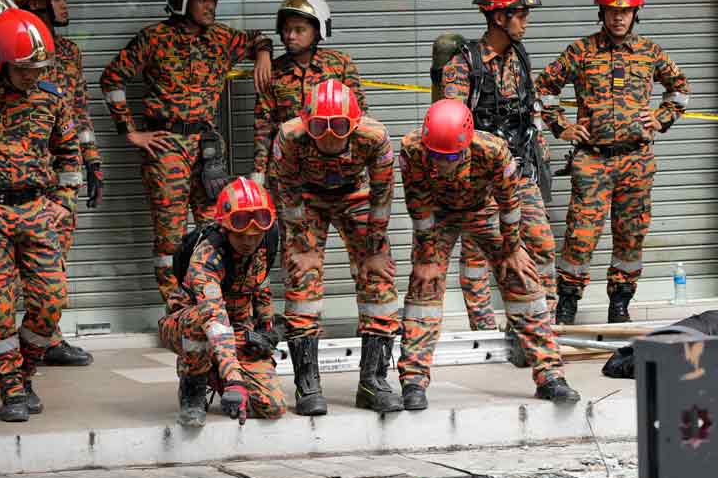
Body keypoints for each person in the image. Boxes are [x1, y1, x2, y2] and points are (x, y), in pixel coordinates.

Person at [101, 0, 272, 303]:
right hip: (167, 148)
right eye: (203, 0)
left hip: (207, 147)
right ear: (181, 1)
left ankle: (212, 302)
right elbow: (112, 79)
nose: (211, 6)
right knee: (170, 236)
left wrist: (263, 54)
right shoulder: (154, 39)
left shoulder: (221, 37)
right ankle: (177, 309)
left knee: (216, 227)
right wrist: (131, 133)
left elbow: (257, 38)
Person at [397, 99, 579, 409]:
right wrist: (427, 255)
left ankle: (550, 375)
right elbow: (418, 206)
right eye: (436, 156)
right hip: (438, 214)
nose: (442, 164)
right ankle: (414, 380)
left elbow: (510, 204)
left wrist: (511, 249)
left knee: (521, 278)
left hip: (485, 209)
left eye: (451, 156)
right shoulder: (412, 149)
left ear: (465, 146)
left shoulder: (493, 151)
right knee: (423, 285)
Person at [536, 0, 690, 324]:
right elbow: (545, 88)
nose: (618, 17)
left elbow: (679, 88)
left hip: (636, 158)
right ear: (602, 13)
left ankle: (620, 303)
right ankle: (568, 303)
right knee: (580, 236)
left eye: (626, 11)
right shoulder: (581, 51)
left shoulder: (649, 53)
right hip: (592, 160)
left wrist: (661, 118)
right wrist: (562, 126)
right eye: (611, 10)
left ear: (636, 13)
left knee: (631, 236)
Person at [271, 79, 402, 416]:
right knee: (302, 278)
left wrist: (374, 246)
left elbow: (382, 194)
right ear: (306, 123)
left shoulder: (375, 137)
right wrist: (300, 244)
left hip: (355, 196)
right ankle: (307, 386)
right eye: (319, 126)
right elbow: (285, 190)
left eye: (339, 126)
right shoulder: (289, 136)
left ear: (354, 125)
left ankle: (373, 381)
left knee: (378, 278)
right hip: (307, 200)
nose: (329, 135)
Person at [0, 8, 82, 422]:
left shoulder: (51, 98)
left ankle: (25, 373)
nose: (31, 74)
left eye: (39, 66)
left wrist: (64, 201)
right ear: (0, 62)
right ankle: (10, 390)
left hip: (38, 210)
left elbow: (69, 155)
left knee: (50, 300)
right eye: (24, 67)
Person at [443, 0, 556, 330]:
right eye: (520, 14)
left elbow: (529, 111)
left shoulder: (520, 56)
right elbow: (451, 130)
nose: (526, 21)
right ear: (498, 17)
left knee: (542, 247)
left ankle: (540, 325)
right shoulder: (463, 66)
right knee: (477, 257)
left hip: (521, 173)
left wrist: (541, 162)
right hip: (482, 183)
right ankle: (484, 332)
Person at [12, 0, 99, 367]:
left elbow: (78, 111)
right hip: (10, 173)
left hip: (57, 175)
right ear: (34, 1)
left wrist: (92, 160)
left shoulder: (68, 53)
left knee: (53, 258)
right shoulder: (3, 52)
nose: (65, 5)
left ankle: (46, 338)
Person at [159, 177, 286, 427]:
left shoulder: (265, 242)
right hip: (191, 324)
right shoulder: (206, 257)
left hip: (237, 329)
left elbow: (261, 284)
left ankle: (215, 370)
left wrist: (266, 331)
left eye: (255, 234)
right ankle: (193, 388)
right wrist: (234, 379)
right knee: (200, 325)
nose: (249, 241)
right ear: (225, 227)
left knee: (272, 406)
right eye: (241, 234)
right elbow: (215, 320)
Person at [253, 0, 365, 188]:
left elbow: (360, 118)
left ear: (318, 30)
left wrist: (362, 163)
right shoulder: (273, 71)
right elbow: (264, 126)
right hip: (289, 173)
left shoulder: (340, 65)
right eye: (286, 29)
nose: (290, 36)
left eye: (299, 29)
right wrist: (259, 172)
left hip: (339, 170)